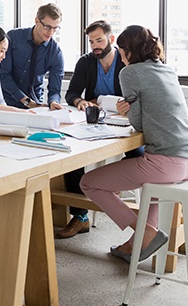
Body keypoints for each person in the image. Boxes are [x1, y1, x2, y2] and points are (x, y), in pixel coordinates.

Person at [80, 25, 188, 262]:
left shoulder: (130, 72)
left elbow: (139, 125)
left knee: (89, 183)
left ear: (129, 51)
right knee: (151, 186)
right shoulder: (167, 70)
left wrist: (128, 108)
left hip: (165, 164)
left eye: (121, 50)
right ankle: (138, 243)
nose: (120, 55)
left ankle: (145, 232)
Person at [56, 20, 144, 239]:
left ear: (111, 40)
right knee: (72, 157)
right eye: (91, 41)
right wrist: (80, 102)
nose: (95, 45)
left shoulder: (125, 62)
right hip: (94, 123)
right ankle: (80, 216)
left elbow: (137, 97)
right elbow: (72, 93)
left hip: (126, 124)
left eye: (99, 40)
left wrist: (126, 107)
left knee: (139, 154)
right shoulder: (86, 63)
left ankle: (110, 186)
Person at [0, 3, 65, 111]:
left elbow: (55, 90)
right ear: (37, 20)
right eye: (47, 27)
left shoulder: (56, 53)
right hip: (6, 102)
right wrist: (25, 101)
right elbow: (4, 75)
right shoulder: (13, 38)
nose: (51, 32)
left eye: (55, 28)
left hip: (35, 105)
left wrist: (53, 102)